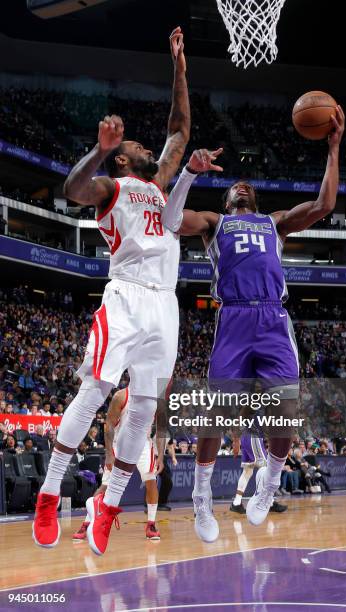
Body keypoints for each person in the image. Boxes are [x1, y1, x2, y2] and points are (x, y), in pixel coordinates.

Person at [32, 27, 190, 555]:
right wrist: (98, 152)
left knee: (143, 408)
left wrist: (180, 66)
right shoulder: (113, 185)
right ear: (123, 159)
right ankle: (51, 490)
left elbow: (179, 130)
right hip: (125, 294)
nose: (147, 146)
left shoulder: (160, 184)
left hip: (165, 305)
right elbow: (72, 189)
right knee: (96, 390)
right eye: (135, 145)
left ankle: (110, 506)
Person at [160, 105, 345, 541]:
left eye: (247, 186)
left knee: (286, 414)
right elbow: (169, 221)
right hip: (234, 317)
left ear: (255, 200)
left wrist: (333, 149)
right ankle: (202, 498)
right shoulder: (214, 223)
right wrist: (189, 173)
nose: (241, 187)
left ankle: (270, 483)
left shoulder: (274, 223)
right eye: (234, 186)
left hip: (273, 318)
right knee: (217, 413)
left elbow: (325, 204)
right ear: (226, 200)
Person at [73, 387, 163, 542]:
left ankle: (151, 524)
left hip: (143, 444)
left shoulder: (156, 398)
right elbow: (108, 425)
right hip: (119, 444)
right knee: (105, 485)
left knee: (151, 481)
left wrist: (160, 455)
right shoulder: (121, 396)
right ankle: (87, 523)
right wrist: (108, 454)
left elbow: (162, 429)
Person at [230, 434, 288, 514]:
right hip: (254, 437)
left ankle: (236, 502)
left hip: (245, 438)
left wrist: (236, 440)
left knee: (247, 471)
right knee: (266, 468)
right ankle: (270, 503)